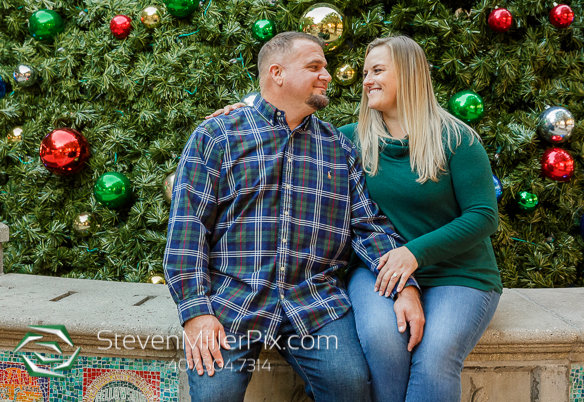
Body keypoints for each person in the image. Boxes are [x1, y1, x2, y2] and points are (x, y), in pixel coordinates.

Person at [209, 35, 502, 402]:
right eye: (365, 73)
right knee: (383, 341)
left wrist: (413, 254)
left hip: (456, 271)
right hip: (379, 267)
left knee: (436, 357)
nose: (366, 81)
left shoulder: (457, 139)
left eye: (377, 70)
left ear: (409, 74)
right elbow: (288, 122)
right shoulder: (351, 141)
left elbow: (484, 216)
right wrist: (245, 111)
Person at [164, 31, 425, 402]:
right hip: (232, 301)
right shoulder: (218, 136)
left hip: (314, 302)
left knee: (350, 387)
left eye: (326, 66)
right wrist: (195, 313)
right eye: (314, 66)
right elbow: (186, 232)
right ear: (277, 74)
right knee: (214, 396)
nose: (328, 75)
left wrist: (405, 286)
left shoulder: (338, 146)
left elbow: (369, 227)